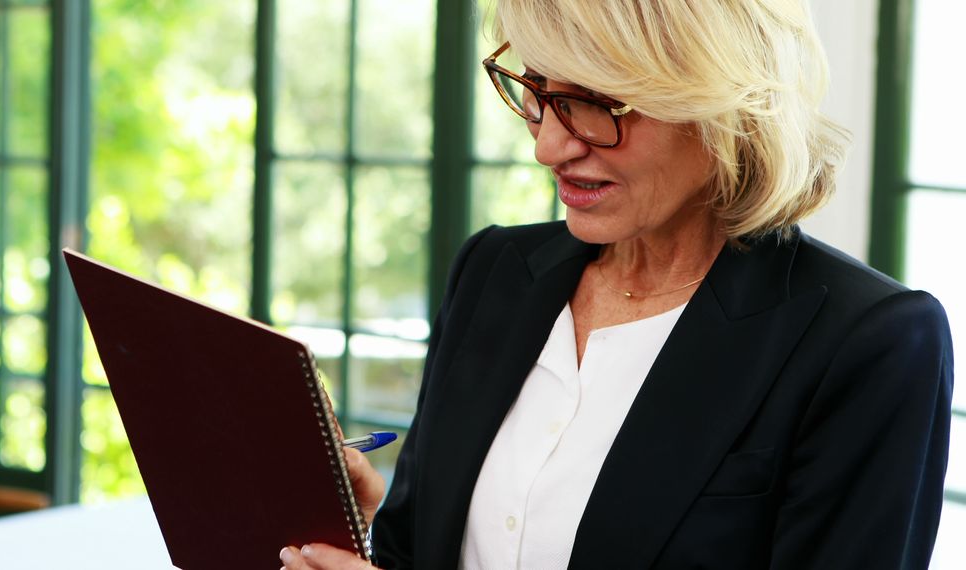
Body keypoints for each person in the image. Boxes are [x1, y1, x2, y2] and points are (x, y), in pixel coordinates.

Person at [279, 0, 954, 568]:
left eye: (591, 104)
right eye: (540, 93)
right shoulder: (495, 272)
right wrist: (353, 533)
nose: (548, 146)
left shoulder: (870, 343)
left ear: (720, 103)